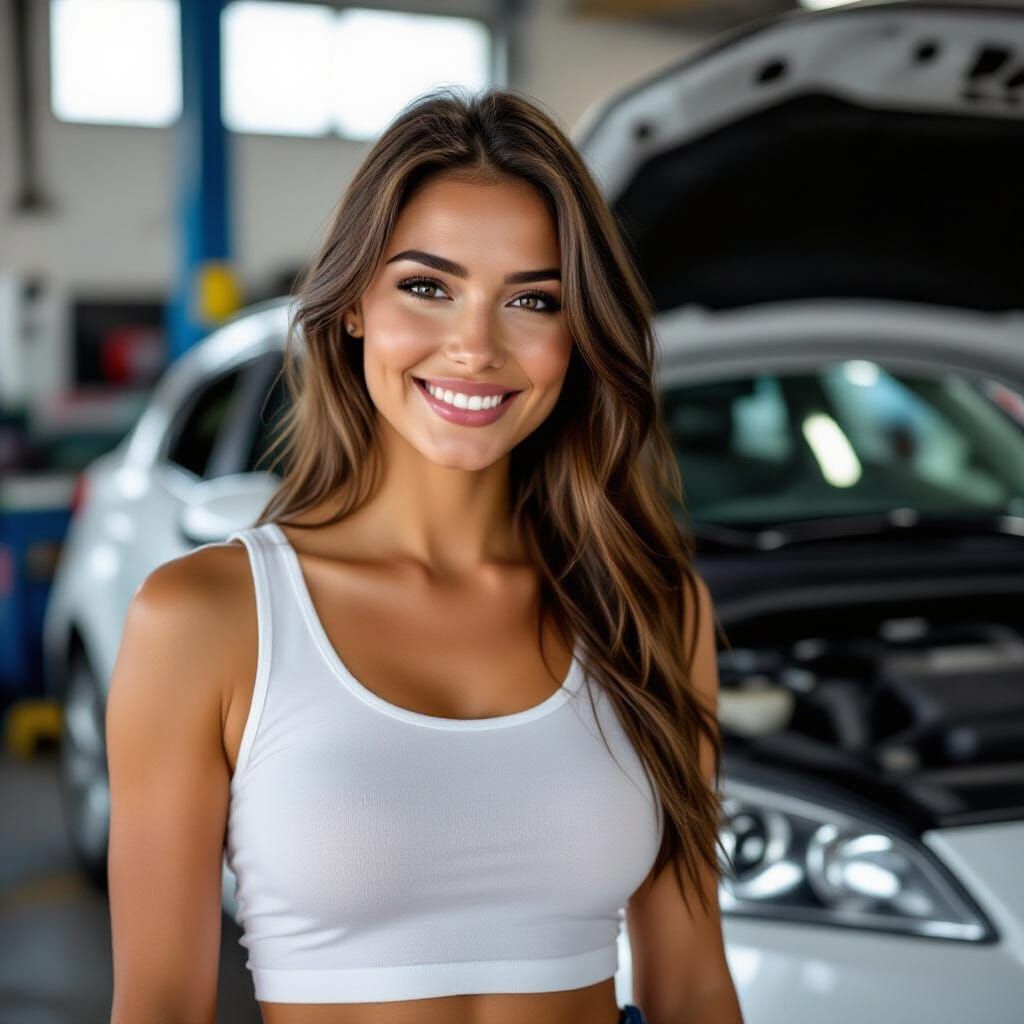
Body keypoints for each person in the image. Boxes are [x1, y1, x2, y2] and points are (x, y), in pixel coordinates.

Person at [105, 87, 744, 1024]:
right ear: (356, 304)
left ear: (578, 335)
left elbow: (690, 986)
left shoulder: (650, 605)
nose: (475, 346)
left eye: (532, 299)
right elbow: (160, 1005)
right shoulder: (205, 619)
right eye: (427, 286)